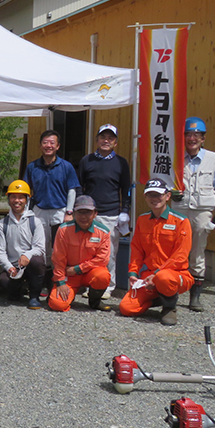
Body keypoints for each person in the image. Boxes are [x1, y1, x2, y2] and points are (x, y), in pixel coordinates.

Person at [120, 179, 193, 326]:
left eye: (159, 195)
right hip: (149, 276)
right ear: (145, 197)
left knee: (164, 278)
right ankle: (160, 297)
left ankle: (169, 307)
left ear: (167, 196)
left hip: (175, 274)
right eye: (151, 195)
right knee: (126, 308)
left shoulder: (181, 221)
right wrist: (133, 273)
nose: (155, 199)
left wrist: (158, 274)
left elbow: (181, 255)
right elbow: (137, 250)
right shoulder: (142, 219)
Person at [172, 117, 215, 312]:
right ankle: (171, 293)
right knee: (175, 251)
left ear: (203, 138)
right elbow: (164, 181)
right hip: (178, 210)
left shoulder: (213, 159)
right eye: (188, 134)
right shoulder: (174, 157)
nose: (192, 138)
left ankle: (195, 297)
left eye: (196, 135)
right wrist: (171, 192)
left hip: (202, 211)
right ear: (183, 137)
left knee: (197, 253)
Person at [77, 123, 131, 298]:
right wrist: (79, 209)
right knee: (87, 251)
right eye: (102, 137)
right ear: (97, 139)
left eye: (110, 138)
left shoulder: (121, 163)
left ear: (115, 142)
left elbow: (126, 189)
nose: (106, 141)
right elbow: (79, 186)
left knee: (108, 253)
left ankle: (108, 286)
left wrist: (125, 211)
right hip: (89, 214)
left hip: (112, 213)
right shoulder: (87, 160)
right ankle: (89, 284)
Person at [24, 129, 81, 295]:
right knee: (40, 248)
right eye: (45, 143)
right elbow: (27, 192)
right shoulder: (32, 166)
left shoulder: (66, 166)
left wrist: (69, 212)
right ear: (41, 145)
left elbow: (72, 190)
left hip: (60, 211)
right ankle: (40, 284)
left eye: (52, 143)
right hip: (39, 211)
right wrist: (26, 213)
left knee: (59, 250)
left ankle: (57, 283)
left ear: (58, 146)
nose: (48, 146)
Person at [47, 195, 111, 313]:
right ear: (74, 214)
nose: (83, 216)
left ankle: (94, 301)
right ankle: (65, 294)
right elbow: (58, 258)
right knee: (57, 305)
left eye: (88, 212)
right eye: (80, 212)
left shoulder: (103, 232)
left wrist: (78, 269)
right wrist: (60, 282)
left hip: (89, 272)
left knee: (103, 276)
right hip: (69, 274)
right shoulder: (64, 230)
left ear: (95, 213)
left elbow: (102, 259)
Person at [0, 181, 45, 309]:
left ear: (27, 199)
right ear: (8, 199)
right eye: (13, 197)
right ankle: (18, 291)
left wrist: (27, 255)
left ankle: (34, 296)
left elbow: (40, 248)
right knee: (4, 280)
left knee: (38, 262)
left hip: (30, 264)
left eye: (21, 197)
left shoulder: (35, 222)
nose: (17, 201)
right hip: (14, 267)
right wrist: (9, 267)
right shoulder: (2, 224)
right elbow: (0, 251)